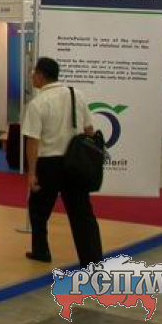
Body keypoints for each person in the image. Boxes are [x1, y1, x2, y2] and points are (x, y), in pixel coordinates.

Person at [23, 57, 102, 267]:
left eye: (34, 73)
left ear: (41, 76)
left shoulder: (38, 103)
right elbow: (89, 130)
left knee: (38, 210)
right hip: (75, 162)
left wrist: (32, 173)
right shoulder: (77, 95)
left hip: (48, 164)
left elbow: (33, 141)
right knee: (82, 213)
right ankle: (92, 259)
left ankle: (41, 251)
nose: (32, 76)